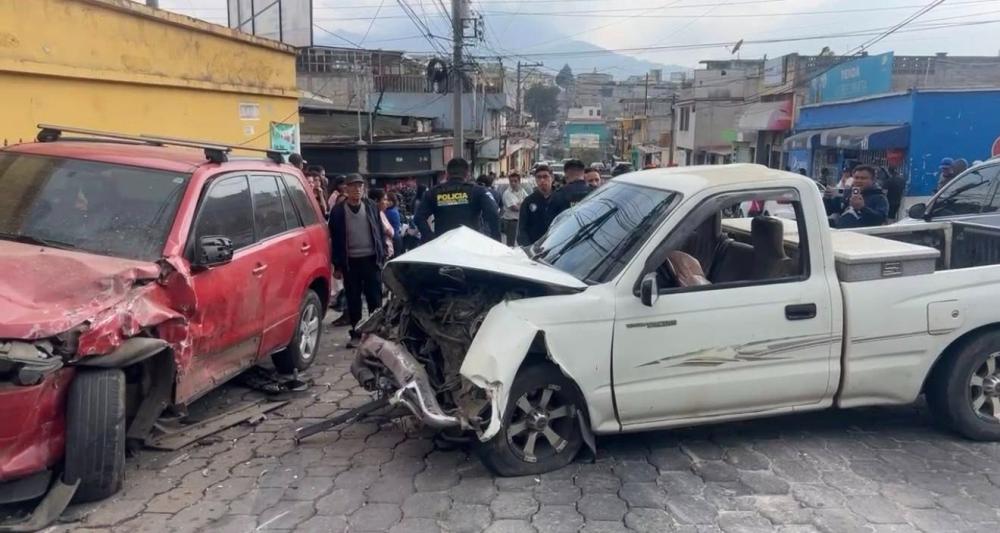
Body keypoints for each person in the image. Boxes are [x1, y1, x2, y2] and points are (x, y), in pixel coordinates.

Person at [329, 174, 387, 347]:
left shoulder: (370, 206)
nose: (357, 190)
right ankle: (356, 333)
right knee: (353, 299)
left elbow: (379, 231)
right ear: (346, 189)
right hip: (350, 262)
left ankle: (375, 332)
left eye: (360, 186)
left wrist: (382, 254)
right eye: (353, 186)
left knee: (374, 298)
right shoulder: (338, 211)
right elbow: (334, 239)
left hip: (371, 260)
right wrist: (337, 265)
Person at [414, 158, 501, 242]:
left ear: (447, 174)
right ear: (467, 174)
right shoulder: (478, 191)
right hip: (471, 244)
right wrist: (495, 241)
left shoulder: (432, 192)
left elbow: (418, 217)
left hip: (444, 245)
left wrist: (431, 239)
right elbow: (493, 213)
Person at [828, 164, 888, 229]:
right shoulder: (847, 193)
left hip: (862, 236)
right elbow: (829, 210)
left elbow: (880, 220)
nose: (859, 181)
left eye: (863, 178)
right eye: (856, 178)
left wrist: (862, 208)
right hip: (841, 233)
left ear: (873, 180)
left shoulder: (879, 198)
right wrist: (827, 199)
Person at [518, 165, 556, 246]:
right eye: (539, 177)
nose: (542, 180)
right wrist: (528, 247)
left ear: (552, 178)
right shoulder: (528, 201)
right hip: (535, 248)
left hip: (555, 246)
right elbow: (522, 228)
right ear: (535, 179)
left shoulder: (560, 198)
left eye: (545, 176)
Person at [501, 172, 529, 246]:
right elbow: (515, 208)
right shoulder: (507, 193)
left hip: (520, 220)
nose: (513, 183)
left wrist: (520, 204)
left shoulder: (522, 191)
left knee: (521, 243)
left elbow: (528, 202)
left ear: (519, 182)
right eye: (511, 181)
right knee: (511, 245)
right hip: (511, 221)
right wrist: (522, 203)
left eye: (515, 181)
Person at [369, 188, 395, 257]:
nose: (387, 202)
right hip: (382, 252)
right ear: (376, 201)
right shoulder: (376, 215)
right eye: (384, 199)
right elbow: (390, 232)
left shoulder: (381, 213)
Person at [385, 191, 404, 256]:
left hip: (393, 239)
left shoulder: (391, 212)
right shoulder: (392, 210)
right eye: (386, 200)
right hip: (395, 238)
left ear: (393, 202)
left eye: (389, 200)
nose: (387, 202)